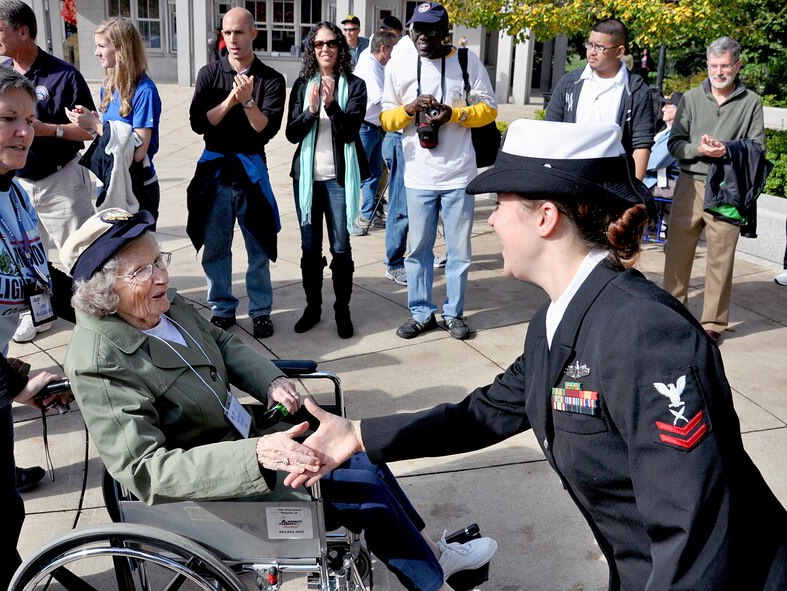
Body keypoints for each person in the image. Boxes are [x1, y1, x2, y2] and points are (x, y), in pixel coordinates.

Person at [287, 119, 787, 591]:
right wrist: (358, 435)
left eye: (500, 202)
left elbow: (696, 527)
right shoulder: (555, 320)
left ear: (546, 216)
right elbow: (482, 414)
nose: (494, 218)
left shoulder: (644, 332)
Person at [60, 208, 498, 591]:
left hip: (245, 435)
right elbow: (146, 470)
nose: (162, 277)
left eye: (160, 260)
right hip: (214, 483)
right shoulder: (98, 361)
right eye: (142, 271)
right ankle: (432, 579)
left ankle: (429, 557)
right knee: (359, 488)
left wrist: (269, 381)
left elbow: (222, 343)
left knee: (359, 450)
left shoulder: (160, 306)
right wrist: (254, 455)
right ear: (103, 290)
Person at [0, 63, 70, 590]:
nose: (25, 131)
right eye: (7, 118)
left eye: (30, 118)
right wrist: (7, 384)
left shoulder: (11, 190)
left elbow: (41, 278)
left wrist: (121, 303)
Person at [381, 2, 497, 340]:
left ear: (444, 31)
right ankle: (420, 312)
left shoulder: (465, 60)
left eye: (430, 29)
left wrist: (456, 115)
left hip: (459, 174)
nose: (421, 35)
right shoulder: (400, 63)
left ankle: (453, 313)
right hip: (418, 176)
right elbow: (386, 119)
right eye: (417, 28)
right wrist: (409, 108)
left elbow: (489, 109)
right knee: (417, 250)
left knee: (459, 250)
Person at [0, 0, 96, 343]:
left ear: (22, 31)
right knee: (27, 260)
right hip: (16, 186)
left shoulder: (64, 75)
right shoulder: (1, 77)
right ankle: (39, 315)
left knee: (80, 256)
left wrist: (48, 129)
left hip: (61, 182)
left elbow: (90, 130)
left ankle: (95, 322)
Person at [187, 7, 285, 338]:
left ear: (253, 34)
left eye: (239, 32)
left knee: (258, 245)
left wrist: (248, 102)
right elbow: (199, 123)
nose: (232, 39)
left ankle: (260, 310)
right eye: (227, 33)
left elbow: (265, 130)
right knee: (216, 245)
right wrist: (231, 99)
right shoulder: (209, 74)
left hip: (251, 169)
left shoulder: (271, 78)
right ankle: (222, 307)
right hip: (215, 170)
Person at [663, 36, 766, 343]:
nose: (719, 72)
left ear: (737, 65)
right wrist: (699, 149)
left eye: (725, 66)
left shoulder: (751, 103)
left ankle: (713, 325)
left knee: (721, 257)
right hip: (689, 185)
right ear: (706, 65)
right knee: (677, 256)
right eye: (713, 66)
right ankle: (672, 314)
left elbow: (758, 147)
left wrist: (727, 150)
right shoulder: (692, 99)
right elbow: (675, 144)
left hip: (727, 188)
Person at [285, 22, 368, 339]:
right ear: (312, 49)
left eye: (331, 43)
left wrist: (331, 106)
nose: (325, 49)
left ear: (340, 47)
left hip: (339, 179)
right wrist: (310, 110)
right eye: (318, 44)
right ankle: (313, 307)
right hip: (306, 178)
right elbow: (292, 133)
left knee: (341, 248)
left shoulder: (355, 86)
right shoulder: (303, 83)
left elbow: (348, 133)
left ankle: (342, 309)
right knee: (309, 249)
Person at [66, 17, 162, 223]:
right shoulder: (109, 86)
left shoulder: (145, 91)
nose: (96, 52)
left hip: (138, 187)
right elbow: (110, 137)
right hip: (110, 180)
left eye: (101, 46)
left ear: (121, 49)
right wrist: (89, 121)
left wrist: (96, 126)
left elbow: (138, 153)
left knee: (139, 254)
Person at [546, 18, 654, 180]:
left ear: (619, 51)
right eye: (590, 44)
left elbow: (641, 146)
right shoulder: (569, 83)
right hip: (569, 178)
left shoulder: (636, 91)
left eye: (600, 47)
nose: (592, 52)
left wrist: (634, 195)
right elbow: (551, 130)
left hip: (613, 182)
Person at [351, 30, 397, 236]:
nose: (393, 55)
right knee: (359, 174)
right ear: (383, 48)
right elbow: (381, 98)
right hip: (365, 128)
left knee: (374, 174)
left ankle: (368, 214)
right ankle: (355, 217)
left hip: (376, 128)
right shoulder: (370, 67)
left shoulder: (378, 64)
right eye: (392, 49)